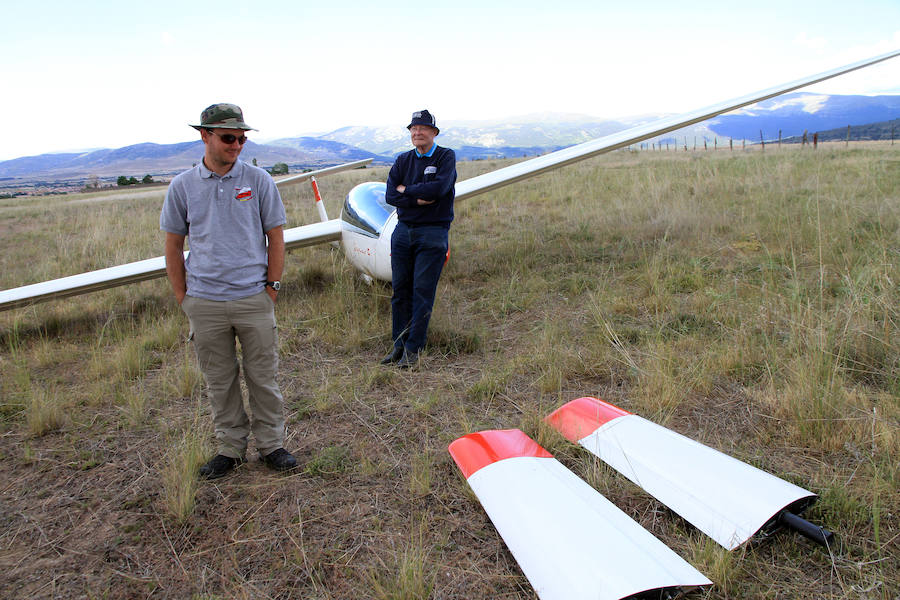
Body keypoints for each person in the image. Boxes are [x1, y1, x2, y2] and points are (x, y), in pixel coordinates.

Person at [160, 103, 297, 479]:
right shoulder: (182, 187)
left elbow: (276, 237)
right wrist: (183, 298)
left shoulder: (258, 180)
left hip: (253, 297)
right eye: (228, 137)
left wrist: (271, 288)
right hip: (204, 302)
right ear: (204, 136)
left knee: (263, 377)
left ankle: (272, 445)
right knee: (219, 381)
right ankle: (230, 448)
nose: (237, 144)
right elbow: (173, 246)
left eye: (242, 138)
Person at [381, 110, 457, 368]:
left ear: (434, 132)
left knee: (422, 291)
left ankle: (413, 349)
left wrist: (407, 190)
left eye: (423, 128)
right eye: (413, 128)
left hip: (433, 232)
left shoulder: (445, 156)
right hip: (403, 231)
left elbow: (439, 189)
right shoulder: (402, 160)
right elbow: (391, 194)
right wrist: (419, 197)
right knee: (400, 291)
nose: (417, 132)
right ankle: (398, 345)